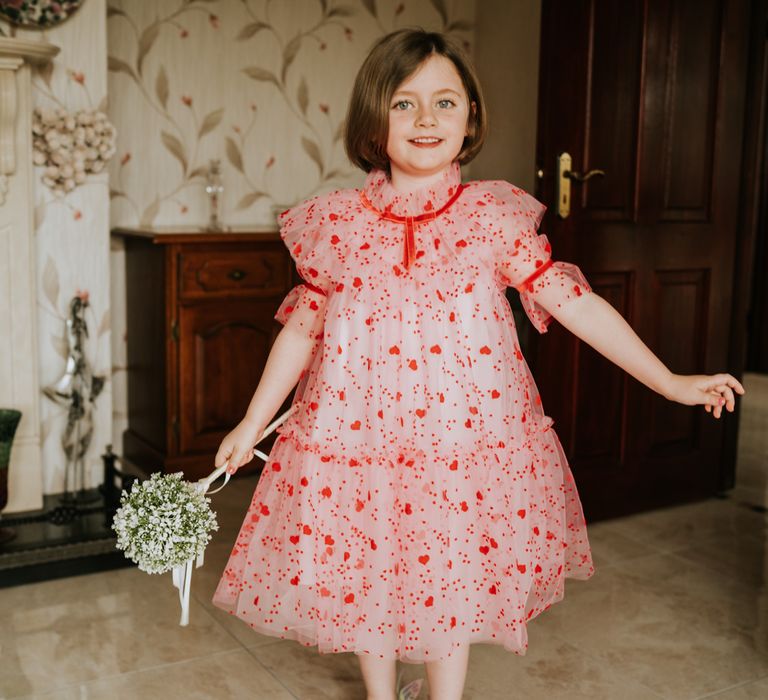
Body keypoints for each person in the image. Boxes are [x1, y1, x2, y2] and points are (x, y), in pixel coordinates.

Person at [212, 29, 745, 700]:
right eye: (404, 104)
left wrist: (668, 380)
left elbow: (573, 304)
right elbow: (300, 332)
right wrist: (251, 422)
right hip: (356, 440)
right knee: (367, 571)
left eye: (445, 103)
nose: (427, 119)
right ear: (373, 122)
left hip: (462, 444)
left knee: (447, 572)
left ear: (470, 119)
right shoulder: (338, 224)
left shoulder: (491, 217)